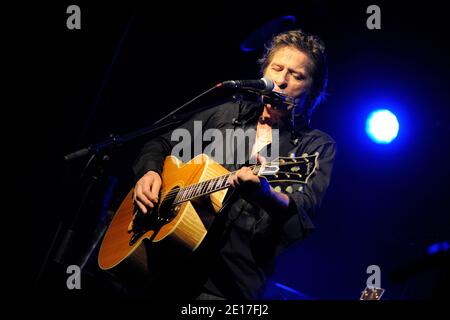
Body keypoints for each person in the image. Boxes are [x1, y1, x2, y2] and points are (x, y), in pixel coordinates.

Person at [131, 29, 336, 299]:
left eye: (296, 76)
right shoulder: (228, 114)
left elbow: (303, 210)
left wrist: (265, 194)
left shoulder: (315, 146)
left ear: (313, 90)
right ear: (264, 72)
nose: (282, 81)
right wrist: (149, 171)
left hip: (229, 286)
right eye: (277, 68)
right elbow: (160, 144)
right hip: (165, 261)